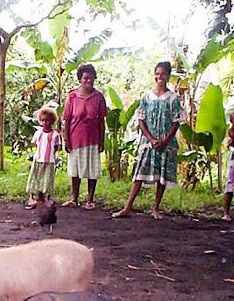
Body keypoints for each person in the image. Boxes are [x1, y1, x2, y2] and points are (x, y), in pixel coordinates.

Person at [112, 61, 185, 220]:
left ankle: (155, 208)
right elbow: (141, 119)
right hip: (148, 142)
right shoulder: (146, 96)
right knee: (139, 173)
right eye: (157, 73)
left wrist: (165, 140)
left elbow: (176, 122)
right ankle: (127, 207)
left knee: (162, 175)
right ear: (154, 75)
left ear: (168, 76)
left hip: (166, 143)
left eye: (163, 74)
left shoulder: (173, 98)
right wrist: (150, 139)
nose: (160, 77)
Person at [61, 63, 107, 210]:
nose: (88, 81)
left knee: (92, 169)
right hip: (76, 139)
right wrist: (66, 139)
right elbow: (66, 120)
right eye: (85, 78)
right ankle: (74, 198)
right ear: (80, 79)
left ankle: (89, 199)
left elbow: (101, 121)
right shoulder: (72, 96)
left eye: (91, 78)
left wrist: (102, 140)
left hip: (93, 139)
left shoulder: (99, 97)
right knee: (75, 169)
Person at [25, 107, 61, 209]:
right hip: (38, 159)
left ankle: (46, 198)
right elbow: (34, 144)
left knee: (48, 179)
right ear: (40, 120)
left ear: (52, 121)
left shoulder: (55, 135)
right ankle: (32, 197)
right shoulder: (38, 133)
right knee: (34, 178)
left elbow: (57, 147)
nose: (46, 123)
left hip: (49, 161)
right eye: (43, 120)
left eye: (48, 120)